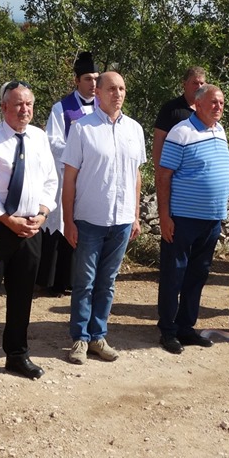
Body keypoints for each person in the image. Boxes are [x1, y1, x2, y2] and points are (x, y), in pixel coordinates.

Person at [0, 81, 57, 382]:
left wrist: (43, 213)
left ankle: (17, 354)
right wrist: (8, 220)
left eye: (29, 104)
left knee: (23, 295)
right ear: (4, 107)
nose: (24, 110)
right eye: (18, 104)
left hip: (32, 227)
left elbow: (50, 181)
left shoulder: (39, 138)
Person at [62, 72, 146, 364]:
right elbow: (69, 178)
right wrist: (68, 220)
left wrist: (135, 216)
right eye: (112, 88)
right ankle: (80, 339)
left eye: (122, 88)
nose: (118, 94)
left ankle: (98, 335)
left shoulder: (134, 129)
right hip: (89, 219)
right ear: (97, 92)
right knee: (84, 282)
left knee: (107, 282)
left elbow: (136, 175)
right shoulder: (82, 128)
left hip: (122, 220)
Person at [155, 85, 229, 353]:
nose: (218, 106)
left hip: (212, 219)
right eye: (213, 102)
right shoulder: (181, 132)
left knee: (197, 275)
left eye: (221, 102)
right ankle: (168, 329)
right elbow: (163, 176)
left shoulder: (219, 131)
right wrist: (164, 215)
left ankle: (186, 327)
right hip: (183, 218)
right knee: (174, 274)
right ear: (197, 104)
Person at [39, 52, 99, 296]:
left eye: (96, 79)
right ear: (76, 81)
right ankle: (55, 280)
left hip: (92, 179)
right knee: (62, 222)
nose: (93, 84)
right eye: (87, 79)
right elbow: (52, 141)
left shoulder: (102, 107)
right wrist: (78, 154)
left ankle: (79, 279)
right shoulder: (61, 108)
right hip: (67, 175)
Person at [151, 66, 207, 169]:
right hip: (177, 174)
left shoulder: (207, 110)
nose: (199, 87)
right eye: (195, 83)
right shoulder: (171, 109)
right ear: (184, 84)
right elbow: (158, 144)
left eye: (202, 83)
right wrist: (160, 174)